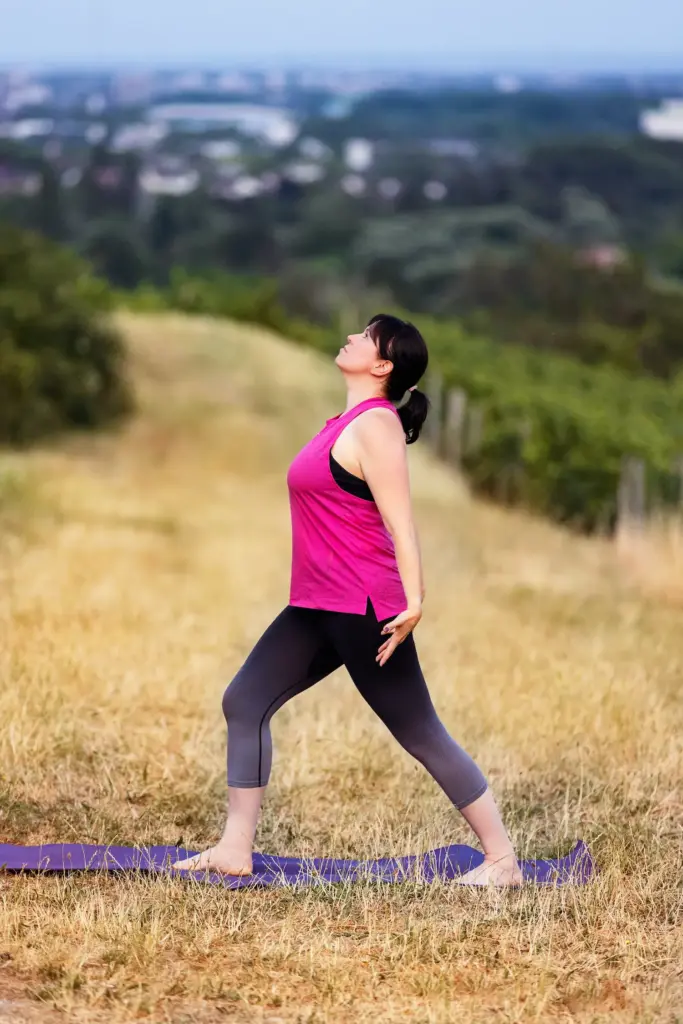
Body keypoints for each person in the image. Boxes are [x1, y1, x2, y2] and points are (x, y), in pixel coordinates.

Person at [172, 314, 522, 886]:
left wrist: (415, 599)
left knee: (419, 731)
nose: (352, 338)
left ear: (382, 365)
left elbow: (400, 522)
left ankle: (503, 860)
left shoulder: (376, 426)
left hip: (364, 608)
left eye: (366, 336)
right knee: (245, 701)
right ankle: (235, 849)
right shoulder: (343, 423)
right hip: (315, 603)